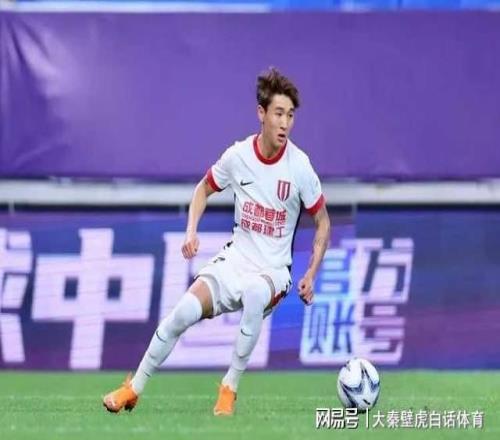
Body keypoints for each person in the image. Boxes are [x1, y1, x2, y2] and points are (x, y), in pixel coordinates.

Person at [102, 67, 331, 416]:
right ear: (261, 113)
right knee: (182, 313)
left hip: (273, 272)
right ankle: (133, 388)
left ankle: (229, 388)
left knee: (254, 292)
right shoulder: (238, 157)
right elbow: (203, 189)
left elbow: (323, 221)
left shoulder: (299, 167)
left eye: (290, 115)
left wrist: (311, 273)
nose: (285, 123)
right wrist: (191, 231)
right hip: (235, 261)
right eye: (278, 113)